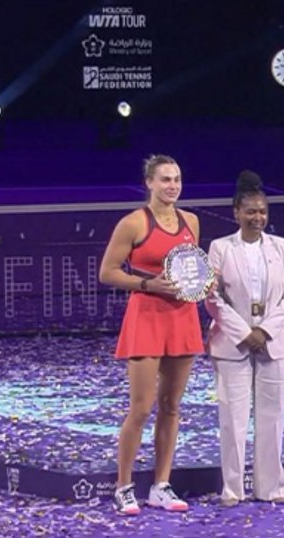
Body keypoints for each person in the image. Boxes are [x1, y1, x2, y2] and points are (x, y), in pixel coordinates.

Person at [99, 154, 204, 515]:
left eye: (177, 179)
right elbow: (108, 272)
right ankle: (123, 486)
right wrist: (147, 284)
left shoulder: (191, 221)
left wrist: (204, 283)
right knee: (141, 408)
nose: (172, 185)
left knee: (171, 407)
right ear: (149, 183)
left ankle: (161, 485)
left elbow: (191, 269)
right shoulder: (133, 223)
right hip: (145, 317)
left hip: (182, 317)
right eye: (165, 179)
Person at [205, 170, 284, 506]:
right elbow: (212, 297)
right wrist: (245, 333)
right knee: (232, 420)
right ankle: (233, 490)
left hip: (275, 344)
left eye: (262, 211)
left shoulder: (283, 248)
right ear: (236, 213)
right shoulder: (219, 248)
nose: (257, 217)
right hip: (232, 344)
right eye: (250, 211)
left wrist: (265, 331)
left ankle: (271, 488)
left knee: (272, 419)